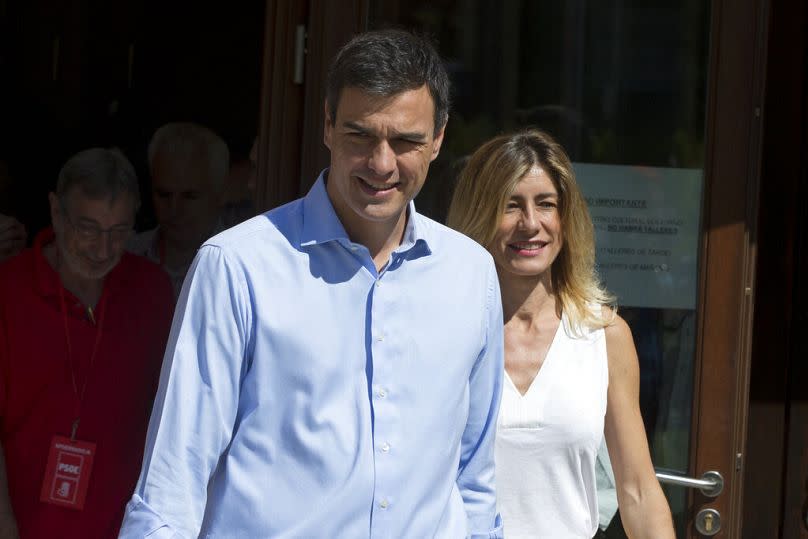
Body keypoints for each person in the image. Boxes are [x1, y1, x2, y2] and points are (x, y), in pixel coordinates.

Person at [119, 29, 504, 538]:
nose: (382, 162)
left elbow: (474, 482)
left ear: (438, 139)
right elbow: (172, 481)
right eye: (360, 135)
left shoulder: (471, 275)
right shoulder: (237, 266)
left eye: (406, 141)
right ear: (326, 125)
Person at [447, 130, 674, 538]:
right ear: (480, 215)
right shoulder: (444, 332)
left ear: (565, 219)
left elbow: (638, 490)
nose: (530, 224)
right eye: (510, 206)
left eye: (545, 204)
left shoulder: (604, 336)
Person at [0, 148, 174, 538]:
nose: (102, 249)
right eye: (88, 228)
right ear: (56, 212)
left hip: (123, 528)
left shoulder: (152, 291)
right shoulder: (8, 290)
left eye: (117, 231)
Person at [128, 121, 229, 297]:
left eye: (189, 196)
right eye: (164, 194)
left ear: (220, 193)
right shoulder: (124, 255)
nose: (174, 208)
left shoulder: (239, 266)